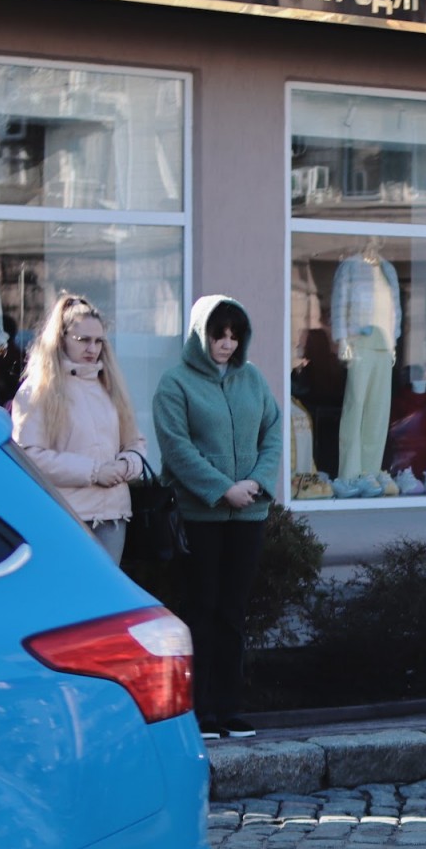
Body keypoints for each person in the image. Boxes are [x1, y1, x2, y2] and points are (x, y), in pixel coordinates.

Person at [152, 295, 283, 742]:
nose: (226, 343)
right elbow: (176, 447)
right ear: (199, 334)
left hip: (249, 514)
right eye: (217, 333)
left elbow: (273, 433)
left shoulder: (254, 380)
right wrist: (221, 489)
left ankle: (229, 710)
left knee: (233, 612)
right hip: (200, 515)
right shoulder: (175, 384)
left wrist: (257, 483)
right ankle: (198, 710)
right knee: (200, 610)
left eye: (233, 334)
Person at [10, 293, 149, 565]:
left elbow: (136, 442)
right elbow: (28, 455)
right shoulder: (38, 390)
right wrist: (94, 471)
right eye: (83, 340)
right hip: (65, 515)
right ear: (61, 339)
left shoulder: (110, 386)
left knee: (107, 601)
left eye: (98, 341)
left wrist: (126, 464)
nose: (92, 349)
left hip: (113, 515)